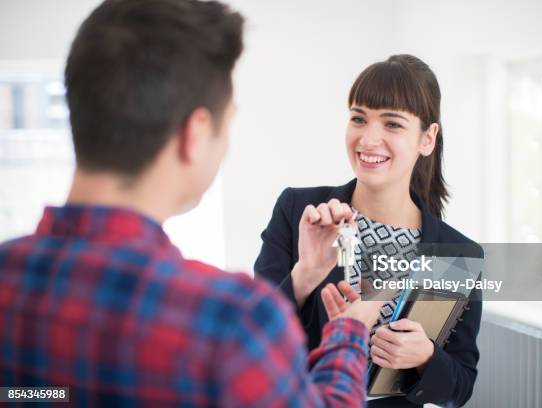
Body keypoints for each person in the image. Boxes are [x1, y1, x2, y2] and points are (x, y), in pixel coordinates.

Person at [0, 0, 384, 406]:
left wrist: (305, 275)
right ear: (196, 133)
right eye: (227, 123)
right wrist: (348, 332)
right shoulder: (228, 321)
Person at [255, 55, 484, 408]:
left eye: (392, 124)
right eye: (358, 118)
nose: (368, 138)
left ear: (427, 139)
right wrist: (304, 275)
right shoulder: (299, 212)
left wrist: (426, 358)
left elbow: (461, 386)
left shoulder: (455, 254)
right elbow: (253, 336)